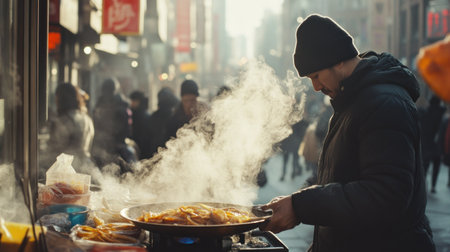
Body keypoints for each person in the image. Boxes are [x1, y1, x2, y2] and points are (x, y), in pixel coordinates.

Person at [260, 14, 435, 251]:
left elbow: (385, 195)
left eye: (316, 76)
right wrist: (294, 201)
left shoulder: (383, 103)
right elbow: (338, 175)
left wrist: (302, 206)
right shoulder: (351, 101)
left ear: (338, 61)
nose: (316, 87)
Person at [41, 83, 95, 175]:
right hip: (88, 168)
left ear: (61, 99)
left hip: (68, 172)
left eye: (56, 98)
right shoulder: (87, 119)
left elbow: (54, 150)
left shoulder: (62, 121)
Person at [91, 78, 137, 173]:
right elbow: (128, 130)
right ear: (116, 89)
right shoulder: (122, 107)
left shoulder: (98, 106)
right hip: (117, 149)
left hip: (102, 149)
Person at [418, 95, 445, 193]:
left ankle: (423, 182)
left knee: (425, 165)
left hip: (426, 143)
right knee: (436, 166)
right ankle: (433, 186)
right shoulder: (441, 113)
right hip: (437, 144)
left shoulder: (426, 113)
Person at [147, 87, 179, 158]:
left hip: (154, 155)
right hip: (170, 156)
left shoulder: (153, 117)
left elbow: (147, 140)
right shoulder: (174, 117)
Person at [129, 90, 152, 159]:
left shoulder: (142, 116)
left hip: (142, 149)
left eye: (133, 101)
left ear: (139, 101)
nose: (132, 103)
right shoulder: (134, 114)